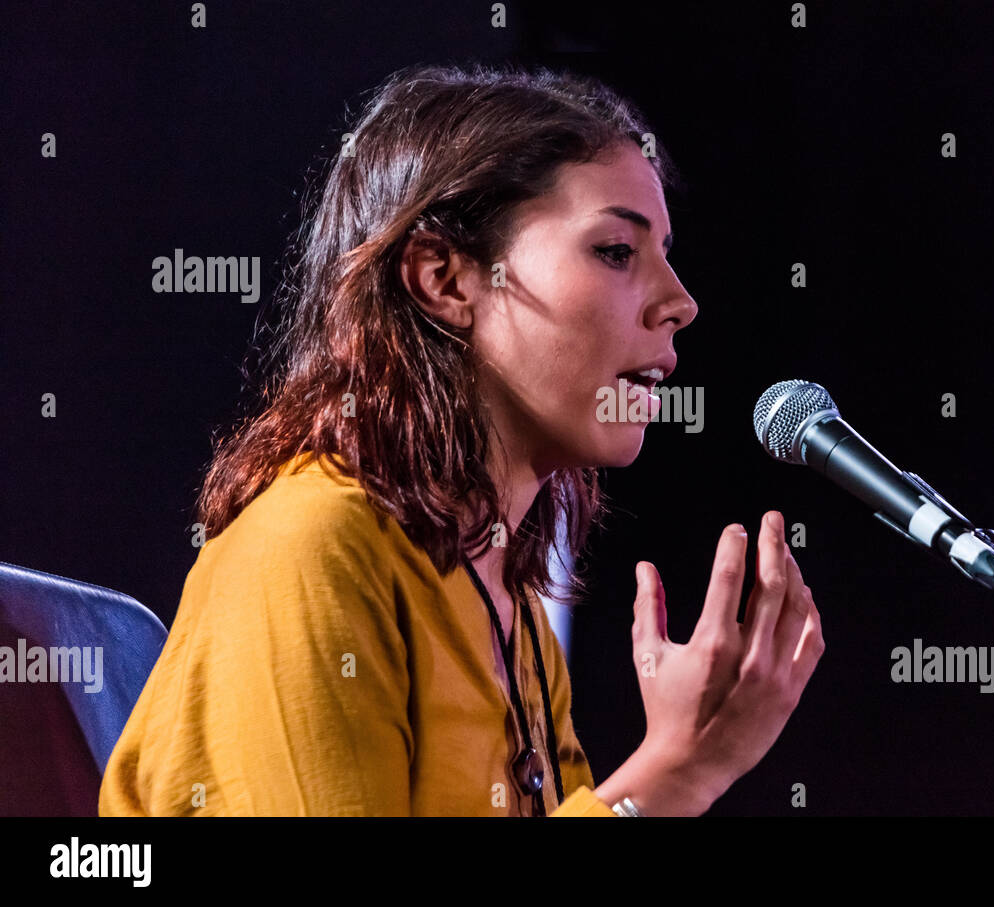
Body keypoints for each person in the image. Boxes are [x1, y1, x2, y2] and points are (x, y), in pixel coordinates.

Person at [99, 63, 824, 817]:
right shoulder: (307, 549)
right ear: (444, 279)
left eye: (667, 255)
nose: (680, 301)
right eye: (615, 251)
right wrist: (673, 772)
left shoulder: (510, 608)